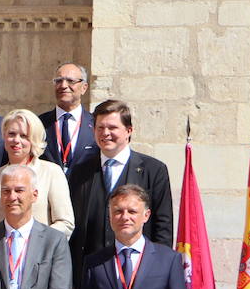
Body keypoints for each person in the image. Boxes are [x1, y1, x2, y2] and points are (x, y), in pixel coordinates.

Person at [68, 99, 174, 276]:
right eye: (100, 128)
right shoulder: (79, 172)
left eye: (112, 128)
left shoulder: (154, 170)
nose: (105, 133)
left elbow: (163, 227)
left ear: (128, 131)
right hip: (90, 276)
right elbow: (75, 228)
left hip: (138, 273)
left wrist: (157, 275)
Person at [0, 109, 74, 235]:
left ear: (34, 139)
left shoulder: (51, 173)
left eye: (24, 136)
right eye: (11, 134)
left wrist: (34, 243)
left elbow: (65, 223)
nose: (16, 140)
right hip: (2, 252)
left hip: (40, 252)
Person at [38, 63, 98, 176]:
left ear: (84, 88)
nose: (63, 85)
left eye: (71, 81)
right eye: (59, 81)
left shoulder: (96, 124)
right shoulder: (39, 124)